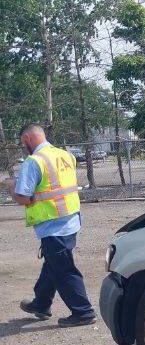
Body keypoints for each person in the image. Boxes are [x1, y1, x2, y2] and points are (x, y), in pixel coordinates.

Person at [2, 124, 96, 327]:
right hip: (70, 220)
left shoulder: (33, 161)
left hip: (53, 225)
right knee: (53, 264)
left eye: (22, 142)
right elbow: (52, 184)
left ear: (27, 138)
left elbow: (23, 198)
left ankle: (83, 312)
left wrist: (11, 187)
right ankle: (41, 303)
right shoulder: (64, 155)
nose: (22, 147)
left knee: (63, 269)